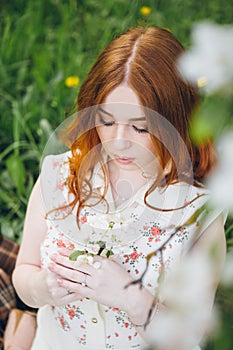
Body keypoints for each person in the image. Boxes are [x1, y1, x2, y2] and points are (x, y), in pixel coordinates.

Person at [12, 26, 226, 350]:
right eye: (107, 121)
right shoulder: (59, 174)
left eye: (141, 127)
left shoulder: (198, 212)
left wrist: (132, 298)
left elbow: (192, 335)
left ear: (175, 121)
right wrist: (43, 287)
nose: (120, 141)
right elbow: (23, 273)